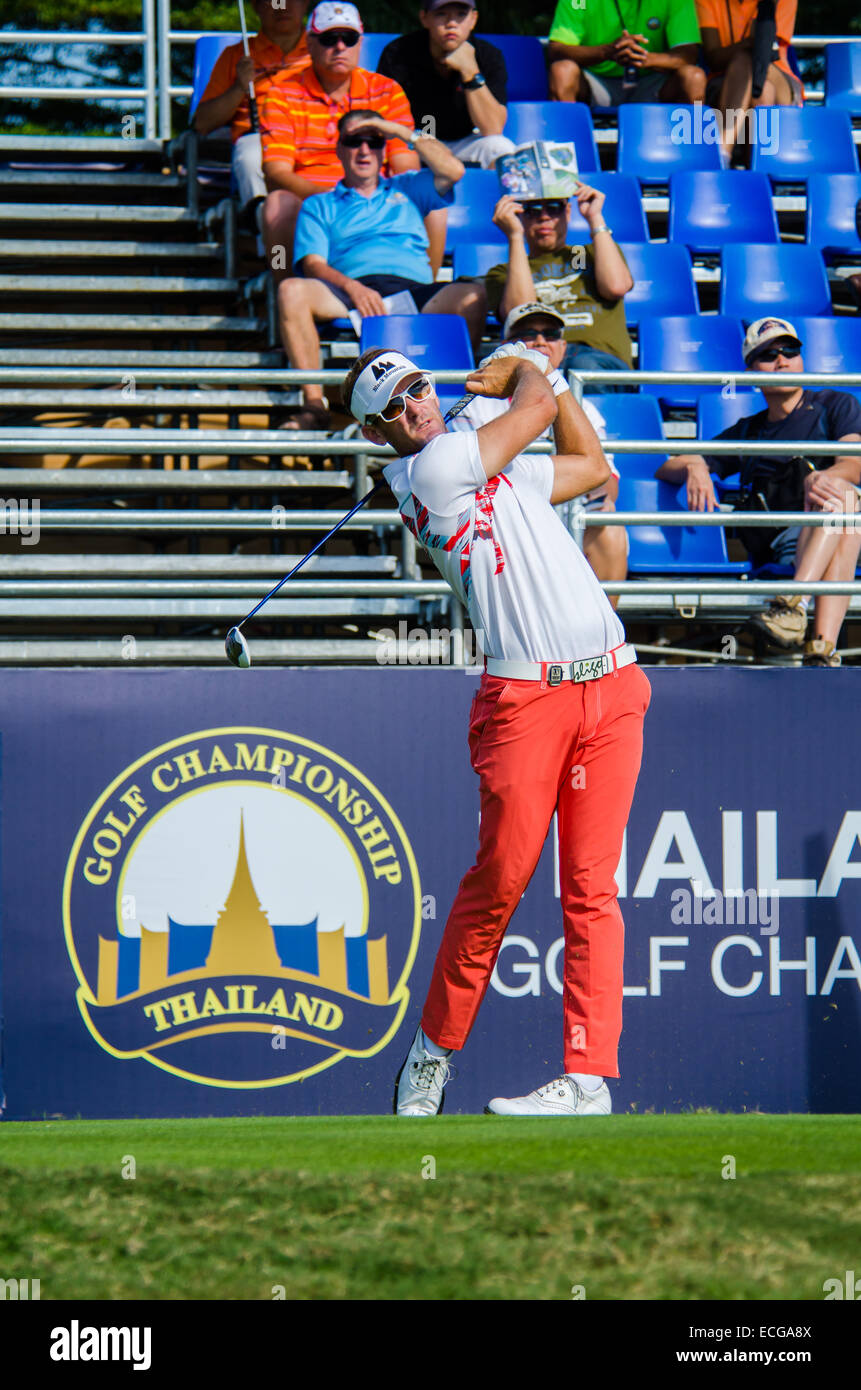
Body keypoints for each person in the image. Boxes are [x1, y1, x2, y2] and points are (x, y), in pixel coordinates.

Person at [342, 342, 651, 1116]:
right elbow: (536, 410)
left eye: (417, 387)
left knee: (590, 890)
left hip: (611, 688)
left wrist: (552, 381)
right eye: (393, 409)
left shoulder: (491, 466)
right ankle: (432, 1056)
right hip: (525, 704)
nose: (414, 405)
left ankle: (587, 1078)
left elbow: (590, 465)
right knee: (499, 883)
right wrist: (521, 371)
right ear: (378, 434)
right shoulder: (432, 472)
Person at [656, 317, 861, 666]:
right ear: (751, 370)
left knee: (841, 498)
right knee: (845, 510)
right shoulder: (749, 431)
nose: (782, 360)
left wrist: (823, 478)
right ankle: (821, 648)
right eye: (768, 355)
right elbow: (665, 467)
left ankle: (792, 606)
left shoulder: (834, 404)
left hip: (834, 527)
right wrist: (695, 465)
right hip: (783, 540)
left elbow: (855, 463)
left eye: (790, 351)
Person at [278, 109, 484, 429]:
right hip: (349, 290)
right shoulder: (319, 204)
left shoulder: (409, 187)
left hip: (412, 289)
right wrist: (353, 288)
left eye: (373, 141)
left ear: (384, 148)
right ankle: (314, 403)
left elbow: (453, 169)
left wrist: (396, 130)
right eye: (353, 140)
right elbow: (312, 263)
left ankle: (458, 399)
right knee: (290, 290)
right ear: (339, 149)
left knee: (472, 295)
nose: (364, 150)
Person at [451, 301, 628, 606]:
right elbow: (468, 479)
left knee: (608, 526)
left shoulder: (584, 408)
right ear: (506, 346)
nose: (540, 342)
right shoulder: (476, 402)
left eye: (551, 334)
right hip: (500, 518)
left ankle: (599, 636)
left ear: (563, 347)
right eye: (528, 334)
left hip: (563, 515)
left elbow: (607, 482)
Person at [259, 2, 420, 281]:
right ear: (310, 43)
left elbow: (406, 164)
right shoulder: (281, 94)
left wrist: (371, 200)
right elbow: (276, 173)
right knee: (275, 205)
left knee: (432, 200)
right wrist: (334, 201)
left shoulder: (388, 90)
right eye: (329, 39)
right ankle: (283, 287)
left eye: (349, 38)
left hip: (377, 197)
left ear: (360, 43)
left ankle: (421, 285)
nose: (340, 47)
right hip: (312, 201)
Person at [485, 185, 634, 390]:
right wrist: (515, 237)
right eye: (532, 210)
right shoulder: (504, 272)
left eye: (554, 207)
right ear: (520, 216)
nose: (544, 217)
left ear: (568, 212)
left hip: (596, 358)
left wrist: (595, 218)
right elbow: (521, 311)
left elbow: (617, 286)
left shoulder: (581, 256)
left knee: (581, 367)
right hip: (540, 356)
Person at [192, 0, 311, 219]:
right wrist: (239, 87)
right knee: (251, 156)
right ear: (256, 6)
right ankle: (267, 239)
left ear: (306, 4)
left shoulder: (324, 51)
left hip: (314, 137)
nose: (282, 6)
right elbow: (202, 123)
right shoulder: (235, 56)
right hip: (258, 138)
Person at [376, 2, 515, 171]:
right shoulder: (398, 54)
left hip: (466, 141)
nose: (451, 23)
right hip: (415, 141)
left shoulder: (488, 55)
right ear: (424, 18)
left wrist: (469, 70)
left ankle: (498, 198)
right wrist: (423, 143)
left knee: (501, 148)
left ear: (473, 19)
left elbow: (493, 129)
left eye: (461, 15)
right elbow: (386, 120)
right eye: (441, 14)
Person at [696, 0, 803, 165]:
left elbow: (763, 48)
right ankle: (758, 175)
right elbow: (713, 58)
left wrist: (743, 47)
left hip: (776, 76)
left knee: (747, 60)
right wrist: (745, 45)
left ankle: (723, 152)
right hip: (726, 81)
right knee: (763, 92)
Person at [546, 0, 705, 107]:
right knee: (562, 71)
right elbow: (557, 49)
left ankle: (695, 147)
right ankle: (564, 150)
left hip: (652, 82)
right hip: (596, 82)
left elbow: (688, 54)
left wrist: (644, 58)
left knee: (694, 77)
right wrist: (607, 52)